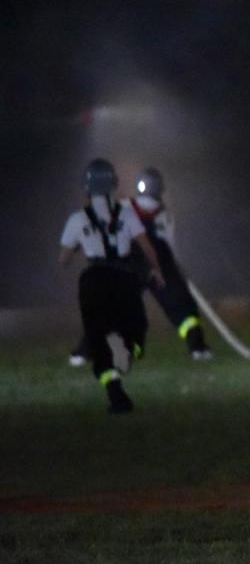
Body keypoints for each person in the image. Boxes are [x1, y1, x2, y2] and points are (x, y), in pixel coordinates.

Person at [59, 158, 166, 413]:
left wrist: (82, 243)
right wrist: (157, 271)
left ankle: (116, 395)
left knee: (97, 335)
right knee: (136, 325)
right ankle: (129, 349)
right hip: (124, 277)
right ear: (113, 184)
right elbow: (146, 246)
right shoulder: (127, 213)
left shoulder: (77, 219)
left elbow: (63, 259)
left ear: (86, 187)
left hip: (94, 280)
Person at [127, 167, 214, 360]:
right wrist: (175, 271)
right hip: (158, 264)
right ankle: (197, 347)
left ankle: (89, 351)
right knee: (183, 305)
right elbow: (170, 245)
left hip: (133, 264)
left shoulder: (126, 207)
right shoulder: (165, 215)